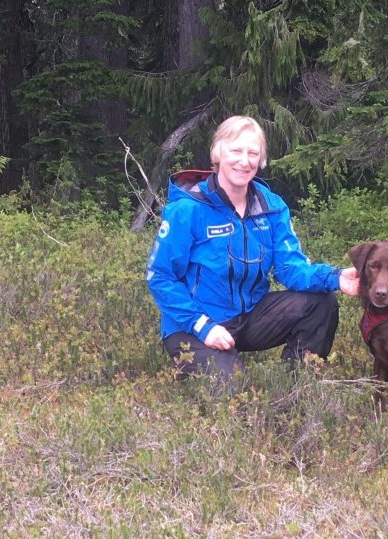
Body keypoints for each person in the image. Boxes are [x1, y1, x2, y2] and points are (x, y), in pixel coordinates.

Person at [145, 115, 359, 381]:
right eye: (235, 150)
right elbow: (160, 276)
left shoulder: (271, 206)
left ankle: (299, 385)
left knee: (321, 303)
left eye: (252, 153)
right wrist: (203, 326)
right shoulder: (188, 209)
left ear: (260, 159)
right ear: (218, 153)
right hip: (193, 324)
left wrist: (335, 277)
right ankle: (208, 366)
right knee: (235, 394)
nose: (244, 161)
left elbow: (290, 268)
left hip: (249, 317)